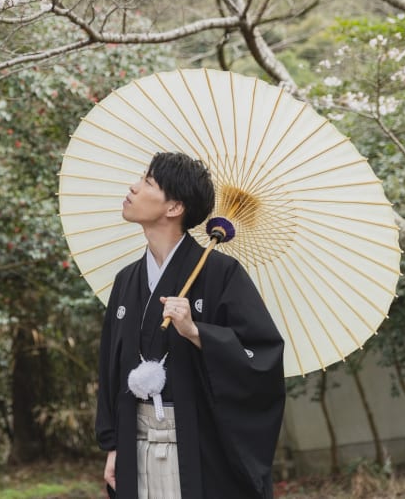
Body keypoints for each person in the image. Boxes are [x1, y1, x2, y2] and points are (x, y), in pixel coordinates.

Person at [95, 152, 285, 498]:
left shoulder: (221, 274)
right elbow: (110, 365)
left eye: (148, 182)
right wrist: (113, 444)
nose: (133, 187)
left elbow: (263, 357)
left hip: (198, 447)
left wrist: (197, 332)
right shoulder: (126, 281)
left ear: (174, 207)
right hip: (136, 441)